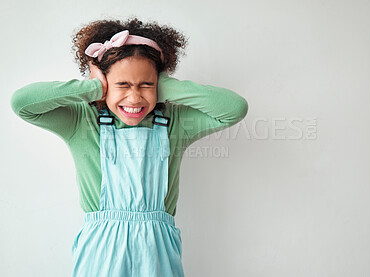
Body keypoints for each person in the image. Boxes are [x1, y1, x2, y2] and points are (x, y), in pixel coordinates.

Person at [10, 17, 248, 277]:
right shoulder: (81, 121)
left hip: (158, 253)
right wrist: (93, 87)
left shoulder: (174, 123)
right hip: (100, 252)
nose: (134, 97)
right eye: (121, 84)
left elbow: (234, 109)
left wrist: (166, 86)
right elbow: (22, 103)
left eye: (146, 85)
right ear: (105, 84)